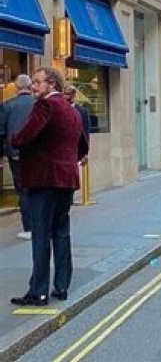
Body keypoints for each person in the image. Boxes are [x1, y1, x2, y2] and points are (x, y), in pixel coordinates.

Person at [10, 67, 89, 307]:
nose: (33, 86)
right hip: (66, 180)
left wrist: (14, 140)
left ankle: (39, 291)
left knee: (41, 235)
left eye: (37, 82)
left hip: (44, 180)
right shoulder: (72, 110)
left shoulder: (46, 106)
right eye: (32, 82)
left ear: (51, 84)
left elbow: (25, 136)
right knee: (61, 232)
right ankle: (62, 286)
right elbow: (83, 146)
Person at [0, 74, 34, 240]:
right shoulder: (39, 104)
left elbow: (1, 132)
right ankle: (42, 225)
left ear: (17, 87)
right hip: (38, 155)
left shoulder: (7, 106)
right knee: (38, 189)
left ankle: (29, 228)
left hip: (16, 155)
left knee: (23, 190)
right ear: (30, 86)